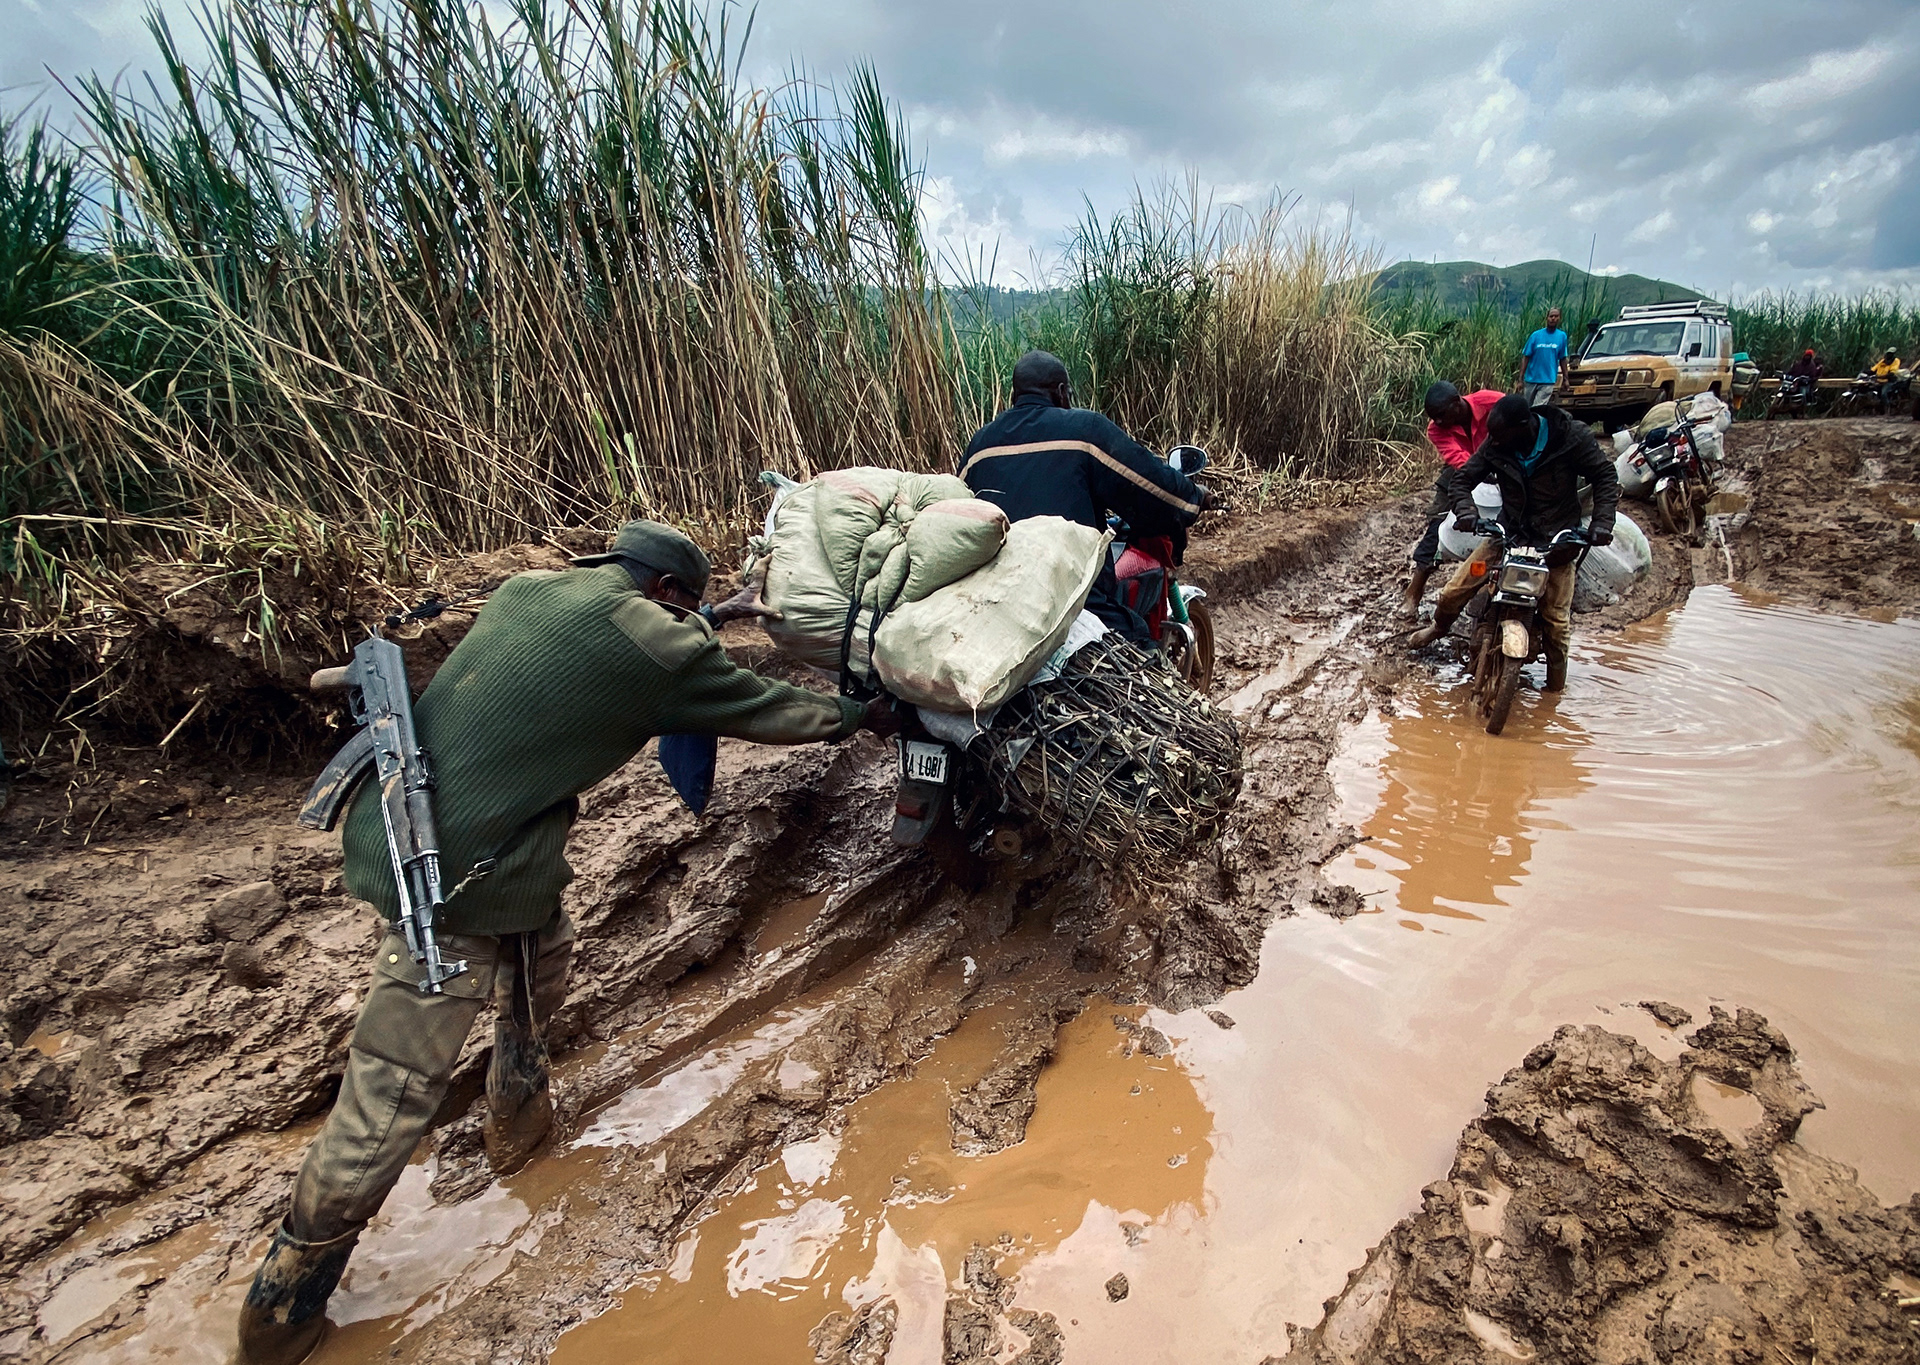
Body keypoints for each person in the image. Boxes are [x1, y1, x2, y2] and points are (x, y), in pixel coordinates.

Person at [236, 521, 895, 1365]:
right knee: (393, 1087)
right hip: (447, 870)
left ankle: (518, 1118)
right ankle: (280, 1313)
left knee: (541, 953)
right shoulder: (659, 641)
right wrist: (857, 713)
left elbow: (610, 645)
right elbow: (767, 707)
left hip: (415, 821)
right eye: (688, 606)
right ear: (666, 595)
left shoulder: (528, 589)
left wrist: (705, 614)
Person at [959, 350, 1207, 641]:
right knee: (1137, 643)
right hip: (1072, 598)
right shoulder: (1083, 430)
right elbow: (1150, 483)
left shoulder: (979, 447)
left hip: (996, 600)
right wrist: (1194, 497)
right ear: (1062, 392)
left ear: (1015, 395)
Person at [1406, 395, 1619, 693]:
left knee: (1557, 624)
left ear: (1525, 427)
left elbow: (1605, 475)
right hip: (1508, 536)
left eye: (1501, 436)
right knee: (1454, 591)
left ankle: (1554, 692)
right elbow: (1462, 479)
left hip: (1557, 545)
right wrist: (1467, 512)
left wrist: (1601, 523)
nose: (1493, 442)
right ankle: (1439, 627)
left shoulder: (1570, 437)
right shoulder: (1497, 443)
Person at [1401, 380, 1505, 620]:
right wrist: (1480, 471)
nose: (1437, 422)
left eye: (1441, 416)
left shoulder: (1492, 401)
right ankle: (1413, 593)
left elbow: (1518, 421)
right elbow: (1456, 457)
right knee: (1437, 527)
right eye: (1434, 417)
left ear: (1457, 403)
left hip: (1503, 467)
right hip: (1460, 472)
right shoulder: (1436, 428)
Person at [1520, 307, 1570, 406]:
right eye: (1551, 316)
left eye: (1556, 316)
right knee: (1526, 407)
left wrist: (1566, 378)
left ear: (1560, 318)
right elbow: (1526, 357)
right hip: (1531, 379)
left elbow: (1563, 359)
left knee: (1538, 408)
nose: (1553, 319)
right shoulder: (1535, 336)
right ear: (1547, 318)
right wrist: (1520, 379)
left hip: (1548, 381)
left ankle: (1538, 421)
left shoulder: (1561, 336)